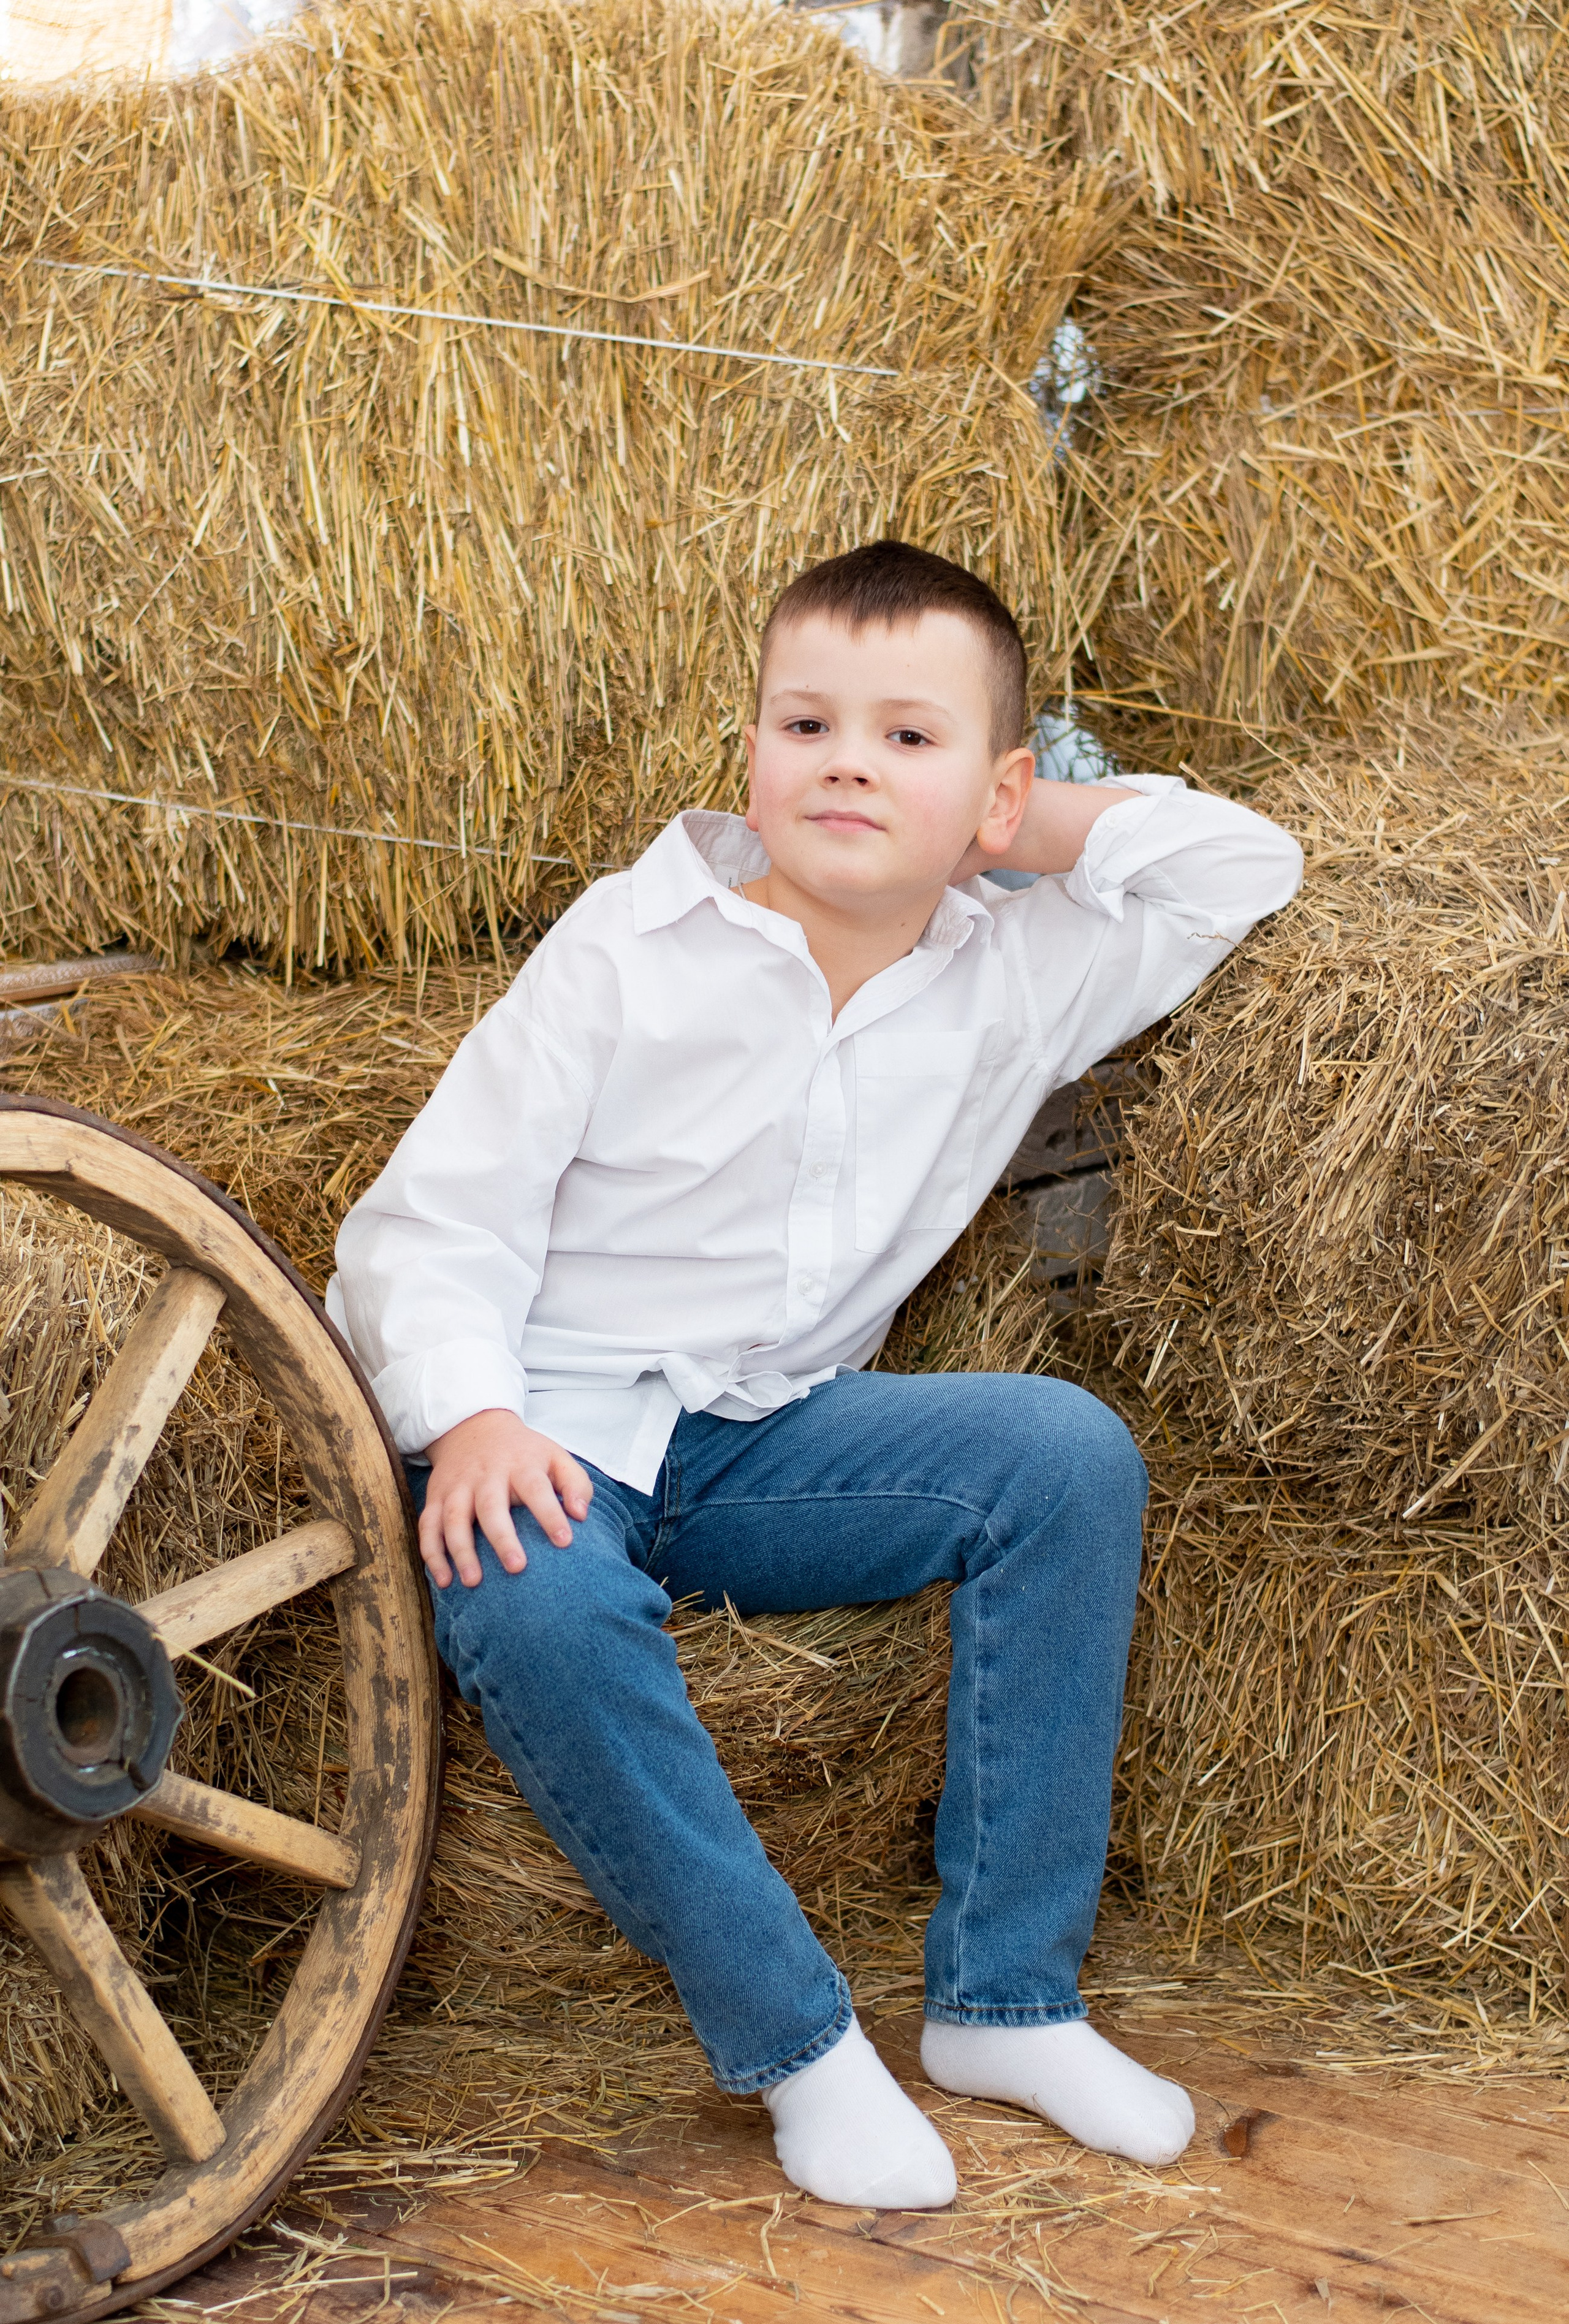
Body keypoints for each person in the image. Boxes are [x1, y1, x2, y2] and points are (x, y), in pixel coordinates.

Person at [330, 539, 1302, 2210]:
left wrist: (1026, 826)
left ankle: (1008, 2001)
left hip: (773, 1444)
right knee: (542, 1606)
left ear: (996, 795)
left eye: (907, 738)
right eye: (806, 724)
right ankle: (798, 2046)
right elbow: (428, 1224)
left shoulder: (1021, 965)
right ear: (755, 752)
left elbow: (1242, 867)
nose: (846, 760)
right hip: (554, 1432)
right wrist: (472, 1416)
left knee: (1062, 1456)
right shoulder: (628, 949)